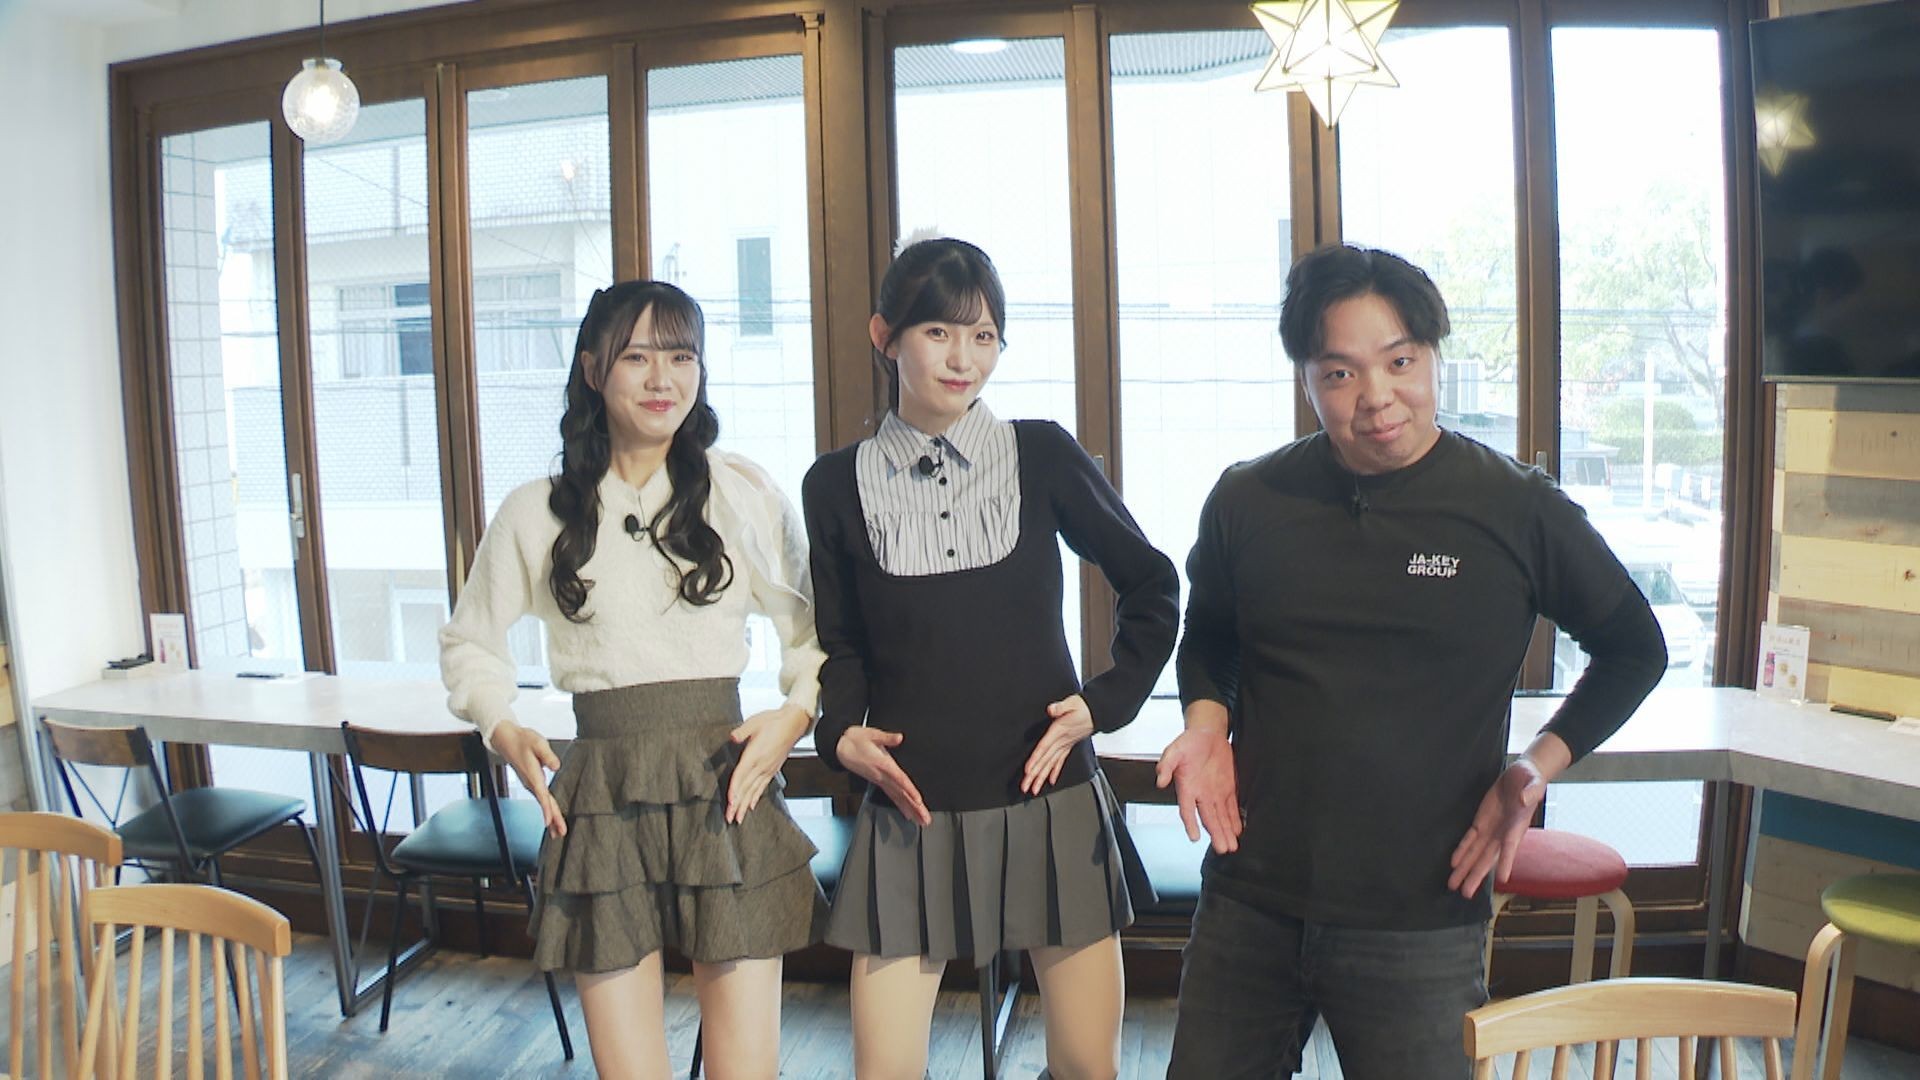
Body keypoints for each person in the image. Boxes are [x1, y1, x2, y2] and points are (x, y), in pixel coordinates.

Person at [1158, 243, 1669, 1079]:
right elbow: (1211, 632)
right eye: (1340, 373)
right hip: (1250, 897)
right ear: (1306, 379)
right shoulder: (1250, 498)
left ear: (1434, 357)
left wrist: (1535, 767)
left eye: (1400, 362)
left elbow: (1634, 649)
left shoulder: (1515, 507)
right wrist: (1208, 724)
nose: (1376, 397)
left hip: (1423, 914)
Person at [802, 237, 1179, 1080]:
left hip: (1050, 795)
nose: (962, 358)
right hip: (911, 807)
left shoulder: (1040, 454)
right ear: (884, 336)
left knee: (1088, 1070)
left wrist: (1103, 703)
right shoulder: (832, 485)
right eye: (938, 332)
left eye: (983, 337)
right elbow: (842, 644)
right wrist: (840, 734)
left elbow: (1153, 584)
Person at [439, 280, 827, 1080]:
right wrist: (501, 725)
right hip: (601, 793)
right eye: (638, 357)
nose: (662, 378)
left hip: (726, 785)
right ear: (592, 370)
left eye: (681, 357)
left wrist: (795, 716)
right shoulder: (535, 511)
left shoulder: (742, 492)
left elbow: (816, 633)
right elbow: (470, 641)